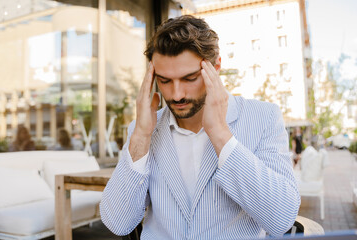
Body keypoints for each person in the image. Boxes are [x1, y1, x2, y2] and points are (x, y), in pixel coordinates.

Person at [100, 15, 300, 239]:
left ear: (216, 67)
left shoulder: (263, 118)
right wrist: (141, 137)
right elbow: (118, 223)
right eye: (165, 81)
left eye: (189, 78)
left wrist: (221, 135)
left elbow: (282, 219)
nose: (177, 95)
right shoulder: (142, 130)